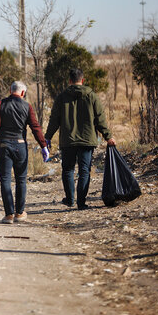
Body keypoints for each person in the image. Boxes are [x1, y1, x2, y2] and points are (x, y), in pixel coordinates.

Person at [0, 81, 49, 224]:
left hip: (4, 146)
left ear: (10, 90)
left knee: (5, 179)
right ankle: (19, 213)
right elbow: (35, 127)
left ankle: (9, 215)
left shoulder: (1, 104)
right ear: (22, 93)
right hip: (20, 146)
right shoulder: (27, 106)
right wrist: (43, 146)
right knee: (21, 180)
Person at [44, 68, 115, 210]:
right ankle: (81, 203)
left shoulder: (61, 97)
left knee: (68, 170)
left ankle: (70, 200)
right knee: (84, 171)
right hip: (87, 140)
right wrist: (108, 137)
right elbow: (100, 118)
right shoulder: (92, 96)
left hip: (68, 141)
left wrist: (47, 137)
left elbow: (54, 120)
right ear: (82, 80)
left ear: (70, 81)